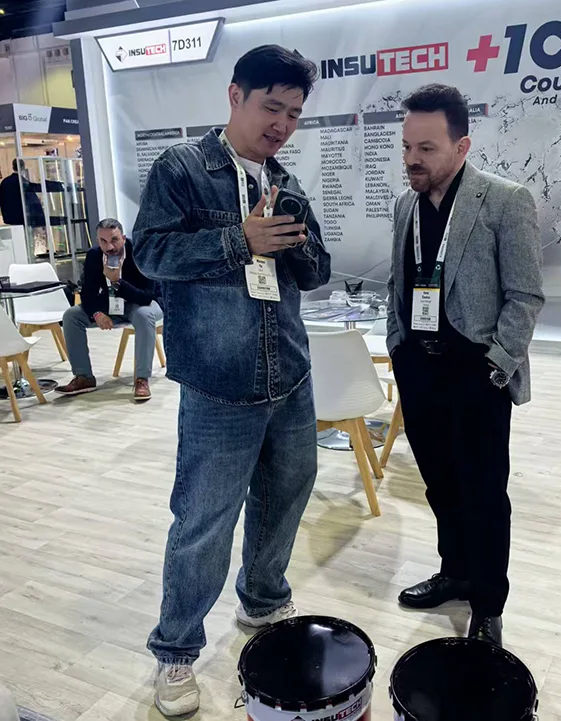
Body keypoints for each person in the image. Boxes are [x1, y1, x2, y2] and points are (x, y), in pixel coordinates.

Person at [132, 45, 330, 717]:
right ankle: (176, 650)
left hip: (290, 375)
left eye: (294, 114)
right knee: (203, 521)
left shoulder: (287, 181)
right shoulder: (182, 169)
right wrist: (239, 240)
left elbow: (317, 270)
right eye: (272, 107)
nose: (282, 124)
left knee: (284, 499)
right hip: (220, 385)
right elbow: (150, 254)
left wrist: (295, 243)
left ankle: (264, 600)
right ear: (235, 96)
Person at [387, 84, 544, 648]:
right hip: (419, 373)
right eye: (407, 147)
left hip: (477, 376)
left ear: (461, 146)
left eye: (426, 149)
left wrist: (495, 368)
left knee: (483, 495)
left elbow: (525, 295)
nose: (412, 159)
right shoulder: (405, 205)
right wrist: (399, 348)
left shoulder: (505, 200)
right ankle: (454, 571)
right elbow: (398, 283)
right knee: (439, 485)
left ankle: (488, 604)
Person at [56, 218, 163, 400]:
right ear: (98, 241)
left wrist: (117, 282)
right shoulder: (94, 255)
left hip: (142, 303)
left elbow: (147, 295)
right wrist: (97, 313)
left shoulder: (139, 252)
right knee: (71, 316)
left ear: (123, 238)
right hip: (110, 304)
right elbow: (87, 292)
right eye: (103, 241)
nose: (110, 247)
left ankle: (142, 379)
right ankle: (84, 377)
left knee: (144, 315)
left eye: (114, 240)